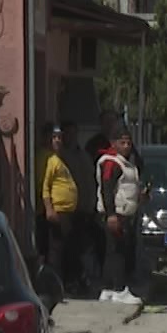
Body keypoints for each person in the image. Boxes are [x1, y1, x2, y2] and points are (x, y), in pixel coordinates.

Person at [96, 129, 144, 305]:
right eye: (122, 143)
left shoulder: (126, 163)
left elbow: (127, 188)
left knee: (112, 251)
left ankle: (107, 289)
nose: (126, 146)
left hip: (125, 213)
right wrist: (111, 215)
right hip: (117, 214)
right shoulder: (111, 163)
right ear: (113, 143)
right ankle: (119, 289)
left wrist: (141, 196)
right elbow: (107, 190)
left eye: (129, 143)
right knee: (118, 253)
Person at [61, 120, 100, 295]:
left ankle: (81, 279)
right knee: (69, 248)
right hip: (67, 210)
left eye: (73, 133)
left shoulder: (83, 155)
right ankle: (70, 280)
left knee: (82, 246)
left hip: (85, 208)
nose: (71, 137)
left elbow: (91, 182)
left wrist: (91, 204)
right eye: (67, 133)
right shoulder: (61, 156)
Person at [38, 124, 78, 283]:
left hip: (66, 211)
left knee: (65, 249)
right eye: (54, 137)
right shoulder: (48, 159)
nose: (58, 141)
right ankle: (56, 283)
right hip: (57, 210)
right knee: (57, 250)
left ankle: (63, 282)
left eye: (60, 138)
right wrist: (49, 209)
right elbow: (45, 186)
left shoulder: (57, 159)